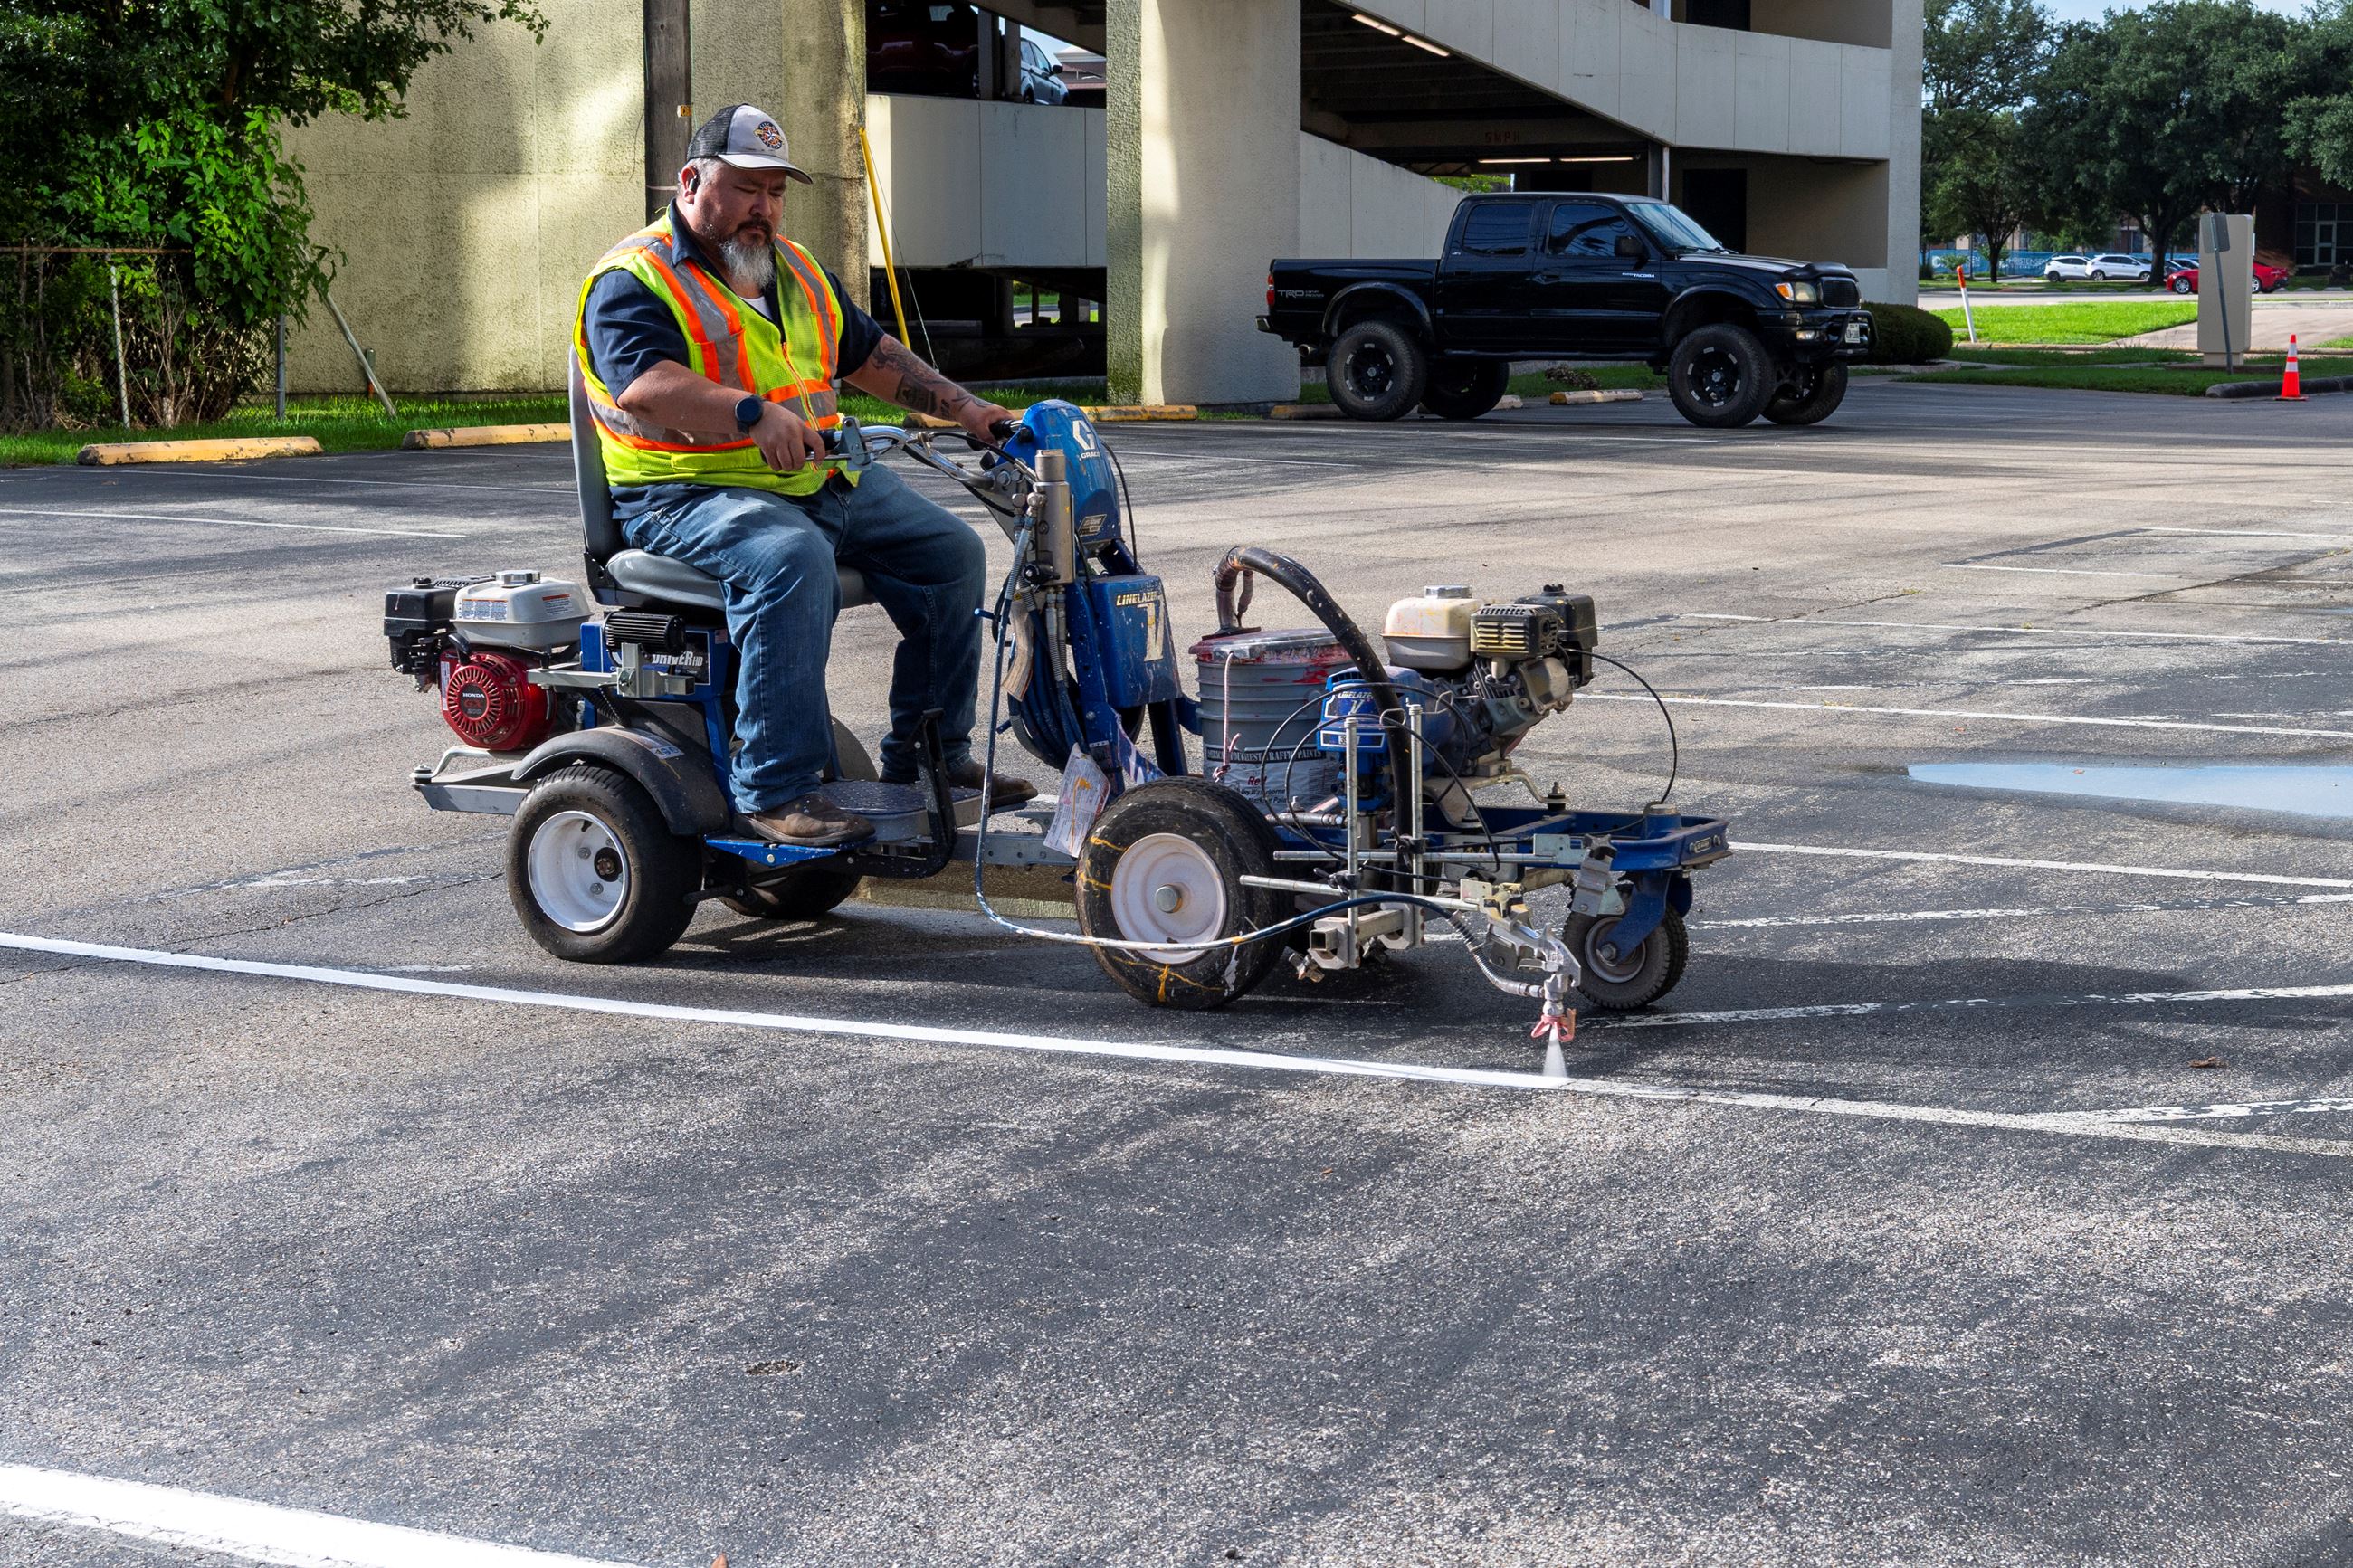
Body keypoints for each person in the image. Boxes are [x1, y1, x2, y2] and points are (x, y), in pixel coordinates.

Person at [574, 103, 1032, 847]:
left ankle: (929, 762)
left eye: (776, 191)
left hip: (815, 478)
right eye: (748, 187)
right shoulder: (633, 278)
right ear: (693, 181)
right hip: (684, 494)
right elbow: (646, 386)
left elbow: (872, 357)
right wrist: (751, 413)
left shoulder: (794, 269)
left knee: (952, 556)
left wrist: (967, 409)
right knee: (790, 560)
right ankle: (775, 790)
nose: (765, 208)